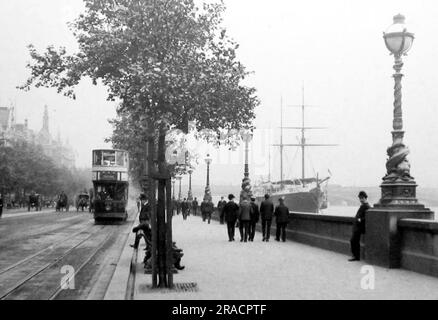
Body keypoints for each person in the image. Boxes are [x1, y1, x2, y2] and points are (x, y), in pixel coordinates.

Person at [349, 191, 370, 262]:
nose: (361, 200)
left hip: (359, 227)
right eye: (360, 198)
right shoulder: (364, 206)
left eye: (362, 198)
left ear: (365, 198)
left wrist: (360, 219)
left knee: (353, 241)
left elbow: (367, 217)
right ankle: (356, 256)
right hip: (357, 227)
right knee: (354, 241)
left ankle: (356, 256)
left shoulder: (367, 206)